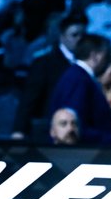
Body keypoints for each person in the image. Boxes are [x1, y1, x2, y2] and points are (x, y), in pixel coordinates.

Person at [14, 11, 87, 140]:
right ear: (62, 36)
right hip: (49, 131)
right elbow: (29, 98)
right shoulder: (44, 63)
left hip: (79, 131)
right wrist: (19, 130)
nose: (79, 39)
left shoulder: (86, 63)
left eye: (82, 35)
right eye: (74, 35)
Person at [46, 33, 111, 145]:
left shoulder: (78, 76)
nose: (108, 61)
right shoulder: (78, 79)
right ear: (95, 56)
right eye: (106, 55)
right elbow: (73, 123)